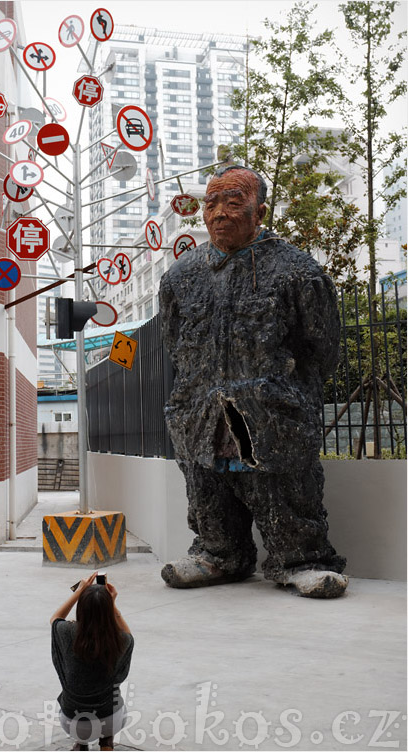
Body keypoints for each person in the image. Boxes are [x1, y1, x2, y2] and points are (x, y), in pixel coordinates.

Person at [159, 165, 348, 598]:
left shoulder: (296, 271)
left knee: (285, 487)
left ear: (259, 211)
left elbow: (324, 348)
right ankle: (218, 553)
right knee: (207, 484)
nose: (219, 213)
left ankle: (303, 560)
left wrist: (287, 391)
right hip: (201, 409)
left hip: (270, 409)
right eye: (211, 204)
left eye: (233, 202)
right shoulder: (180, 279)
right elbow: (174, 345)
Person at [50, 572, 134, 751]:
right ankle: (106, 742)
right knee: (111, 696)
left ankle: (81, 743)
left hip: (72, 721)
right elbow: (129, 635)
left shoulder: (66, 632)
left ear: (81, 609)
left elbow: (54, 619)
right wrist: (112, 604)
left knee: (81, 696)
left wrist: (78, 592)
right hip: (110, 720)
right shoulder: (119, 641)